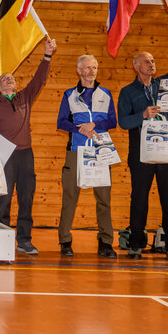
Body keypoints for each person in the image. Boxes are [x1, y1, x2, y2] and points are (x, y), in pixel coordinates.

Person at [118, 23, 168, 263]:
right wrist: (142, 115)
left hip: (165, 148)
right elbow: (123, 122)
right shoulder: (128, 91)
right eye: (146, 61)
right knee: (139, 198)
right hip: (141, 151)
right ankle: (136, 244)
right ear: (136, 66)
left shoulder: (164, 83)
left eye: (153, 61)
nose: (151, 64)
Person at [0, 39, 57, 254]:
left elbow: (39, 79)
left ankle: (24, 240)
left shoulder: (25, 97)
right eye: (5, 79)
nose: (10, 80)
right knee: (4, 198)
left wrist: (47, 56)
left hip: (26, 154)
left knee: (26, 197)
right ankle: (0, 239)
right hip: (4, 156)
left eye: (12, 78)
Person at [56, 54, 118, 259]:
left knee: (104, 199)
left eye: (95, 67)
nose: (92, 71)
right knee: (70, 198)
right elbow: (61, 122)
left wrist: (95, 125)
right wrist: (79, 129)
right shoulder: (69, 95)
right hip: (76, 151)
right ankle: (65, 240)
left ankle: (106, 242)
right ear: (79, 70)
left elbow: (113, 121)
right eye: (88, 67)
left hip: (101, 151)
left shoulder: (105, 93)